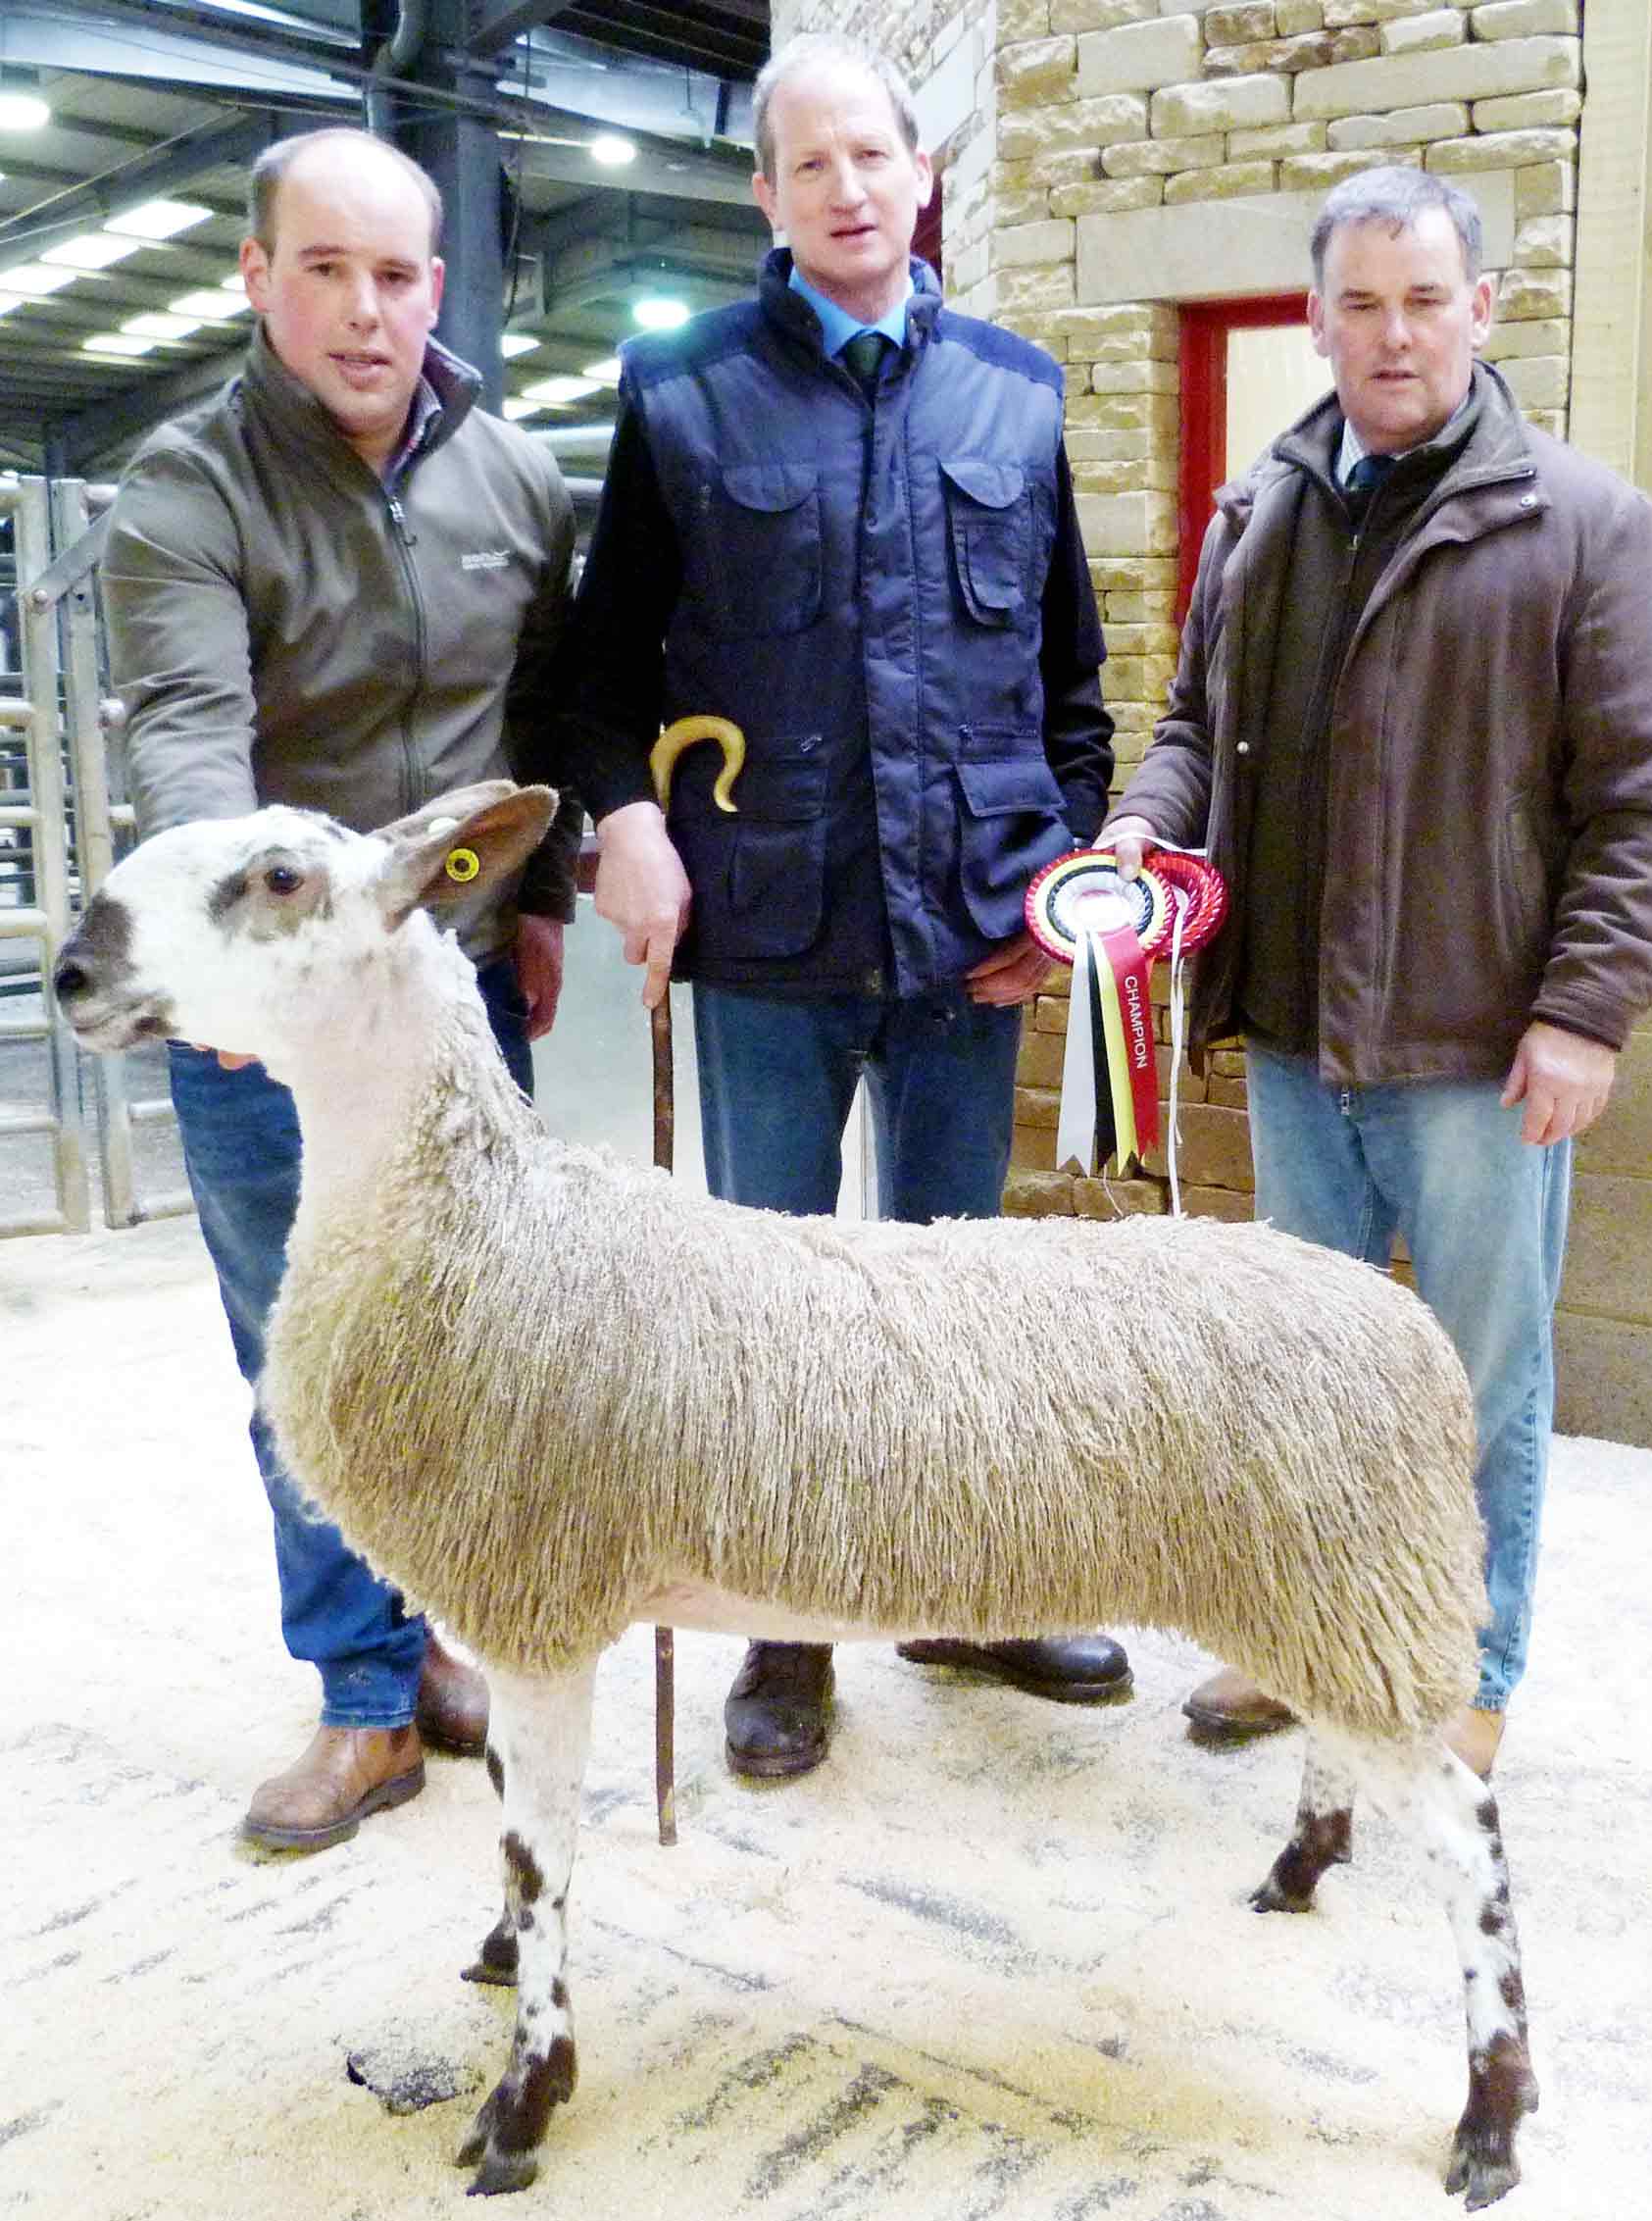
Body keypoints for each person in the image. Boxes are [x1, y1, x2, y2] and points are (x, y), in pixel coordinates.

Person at [565, 31, 1132, 1780]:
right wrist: (622, 826)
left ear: (923, 169)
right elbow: (593, 679)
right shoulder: (683, 393)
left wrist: (1074, 864)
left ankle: (961, 1585)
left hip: (975, 930)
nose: (849, 187)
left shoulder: (1018, 395)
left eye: (873, 155)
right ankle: (790, 1624)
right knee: (780, 1307)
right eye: (808, 164)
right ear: (765, 194)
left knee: (954, 1302)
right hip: (771, 934)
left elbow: (1075, 693)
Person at [1100, 165, 1652, 1779]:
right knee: (1303, 1384)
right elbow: (1188, 737)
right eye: (1358, 304)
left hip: (1476, 1055)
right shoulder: (1260, 515)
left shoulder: (1589, 526)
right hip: (1296, 1047)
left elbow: (1646, 807)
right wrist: (1139, 845)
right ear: (1317, 321)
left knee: (1479, 1384)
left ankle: (1465, 1663)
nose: (1392, 334)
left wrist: (1587, 1012)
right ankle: (1310, 1641)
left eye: (1424, 299)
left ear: (1481, 309)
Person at [102, 126, 581, 1851]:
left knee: (479, 1333)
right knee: (300, 1351)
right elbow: (188, 734)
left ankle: (474, 1624)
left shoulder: (516, 484)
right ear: (257, 275)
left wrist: (543, 895)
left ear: (436, 287)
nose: (365, 311)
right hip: (277, 1018)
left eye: (395, 276)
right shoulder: (187, 489)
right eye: (325, 270)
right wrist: (229, 968)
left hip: (455, 1005)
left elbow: (541, 715)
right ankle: (367, 1694)